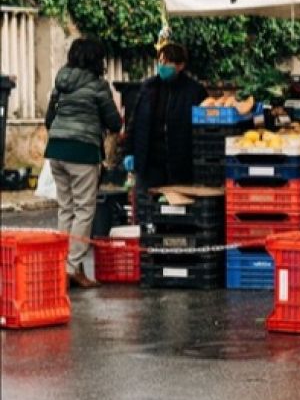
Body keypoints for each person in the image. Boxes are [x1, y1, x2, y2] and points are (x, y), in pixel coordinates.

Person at [44, 38, 123, 288]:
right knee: (84, 210)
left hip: (56, 149)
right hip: (82, 151)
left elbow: (49, 117)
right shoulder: (98, 86)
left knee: (65, 208)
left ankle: (63, 266)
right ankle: (71, 267)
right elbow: (114, 122)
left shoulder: (61, 80)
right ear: (96, 60)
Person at [122, 43, 207, 201]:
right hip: (150, 161)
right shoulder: (149, 87)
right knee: (147, 206)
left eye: (168, 62)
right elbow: (135, 121)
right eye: (161, 62)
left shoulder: (194, 91)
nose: (163, 66)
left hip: (180, 163)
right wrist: (129, 152)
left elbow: (201, 129)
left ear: (181, 65)